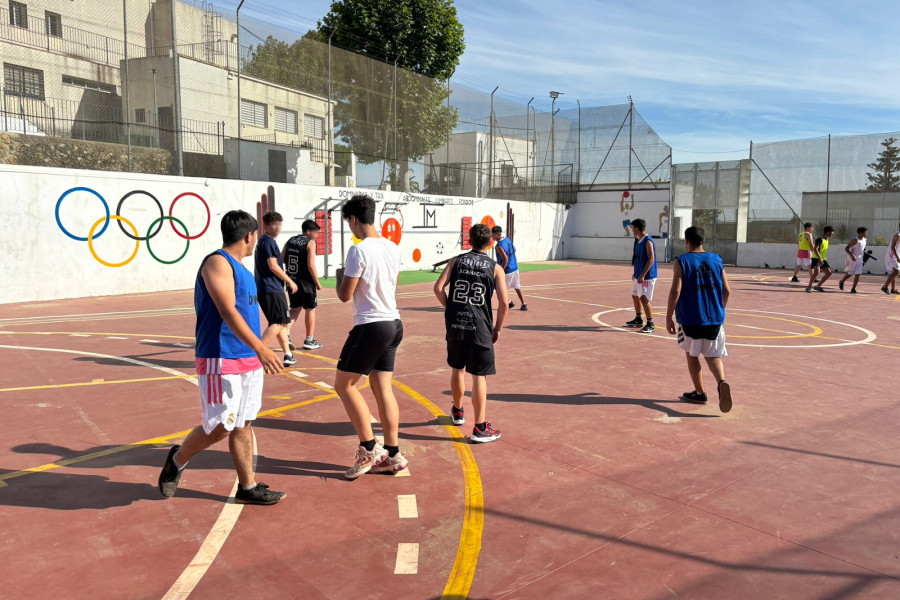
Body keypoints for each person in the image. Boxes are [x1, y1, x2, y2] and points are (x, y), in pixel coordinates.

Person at [157, 210, 286, 505]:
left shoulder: (242, 269)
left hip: (247, 360)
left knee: (243, 424)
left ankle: (247, 486)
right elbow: (227, 311)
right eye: (256, 236)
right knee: (219, 426)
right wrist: (263, 348)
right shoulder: (218, 262)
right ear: (249, 235)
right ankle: (177, 459)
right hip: (221, 359)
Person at [333, 195, 407, 479]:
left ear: (353, 219)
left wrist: (341, 275)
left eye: (349, 223)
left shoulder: (358, 250)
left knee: (344, 385)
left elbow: (344, 295)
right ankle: (394, 453)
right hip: (393, 322)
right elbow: (392, 286)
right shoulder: (393, 247)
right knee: (382, 388)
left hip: (371, 325)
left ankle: (369, 448)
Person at [434, 224, 509, 443]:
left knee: (457, 369)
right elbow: (504, 302)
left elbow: (438, 288)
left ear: (469, 240)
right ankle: (479, 427)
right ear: (490, 243)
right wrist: (498, 328)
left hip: (456, 324)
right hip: (480, 327)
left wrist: (449, 307)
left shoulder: (456, 261)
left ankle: (458, 412)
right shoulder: (495, 268)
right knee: (479, 375)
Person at [665, 226, 733, 413]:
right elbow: (726, 291)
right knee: (713, 356)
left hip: (691, 319)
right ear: (702, 241)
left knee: (692, 354)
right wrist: (719, 309)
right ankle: (722, 382)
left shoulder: (682, 261)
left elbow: (675, 291)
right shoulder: (717, 259)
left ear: (687, 241)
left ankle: (700, 392)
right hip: (714, 320)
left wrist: (669, 316)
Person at [254, 211, 297, 366]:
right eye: (274, 224)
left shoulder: (265, 242)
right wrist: (290, 281)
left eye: (279, 223)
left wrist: (281, 272)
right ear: (266, 226)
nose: (278, 227)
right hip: (271, 288)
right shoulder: (268, 242)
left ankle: (288, 354)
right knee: (279, 322)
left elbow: (272, 266)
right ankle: (256, 351)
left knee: (280, 322)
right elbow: (273, 266)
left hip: (268, 288)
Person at [283, 219, 324, 350]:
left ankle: (286, 333)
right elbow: (311, 265)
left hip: (292, 280)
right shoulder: (310, 243)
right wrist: (317, 283)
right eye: (316, 232)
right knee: (310, 308)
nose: (317, 236)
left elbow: (282, 257)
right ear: (308, 231)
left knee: (295, 308)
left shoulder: (290, 240)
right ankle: (309, 340)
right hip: (306, 282)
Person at [625, 219, 658, 333]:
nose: (632, 230)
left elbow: (651, 258)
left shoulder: (648, 241)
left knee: (643, 298)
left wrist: (643, 274)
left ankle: (650, 323)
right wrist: (636, 272)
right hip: (639, 274)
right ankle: (639, 318)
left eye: (633, 228)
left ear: (637, 229)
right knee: (635, 295)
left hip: (647, 276)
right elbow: (639, 259)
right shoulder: (639, 241)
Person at [492, 226, 527, 311]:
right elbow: (514, 249)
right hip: (514, 267)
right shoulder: (507, 239)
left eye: (492, 235)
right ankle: (524, 304)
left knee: (500, 288)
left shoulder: (499, 246)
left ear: (498, 235)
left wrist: (501, 270)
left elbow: (505, 259)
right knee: (517, 286)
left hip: (507, 270)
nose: (491, 236)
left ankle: (508, 303)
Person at [839, 227, 868, 293]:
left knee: (858, 274)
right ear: (860, 233)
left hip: (860, 259)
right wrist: (852, 256)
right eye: (865, 232)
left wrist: (862, 255)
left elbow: (861, 249)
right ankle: (842, 281)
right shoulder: (855, 240)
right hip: (853, 259)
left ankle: (853, 288)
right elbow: (846, 248)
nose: (866, 233)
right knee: (850, 273)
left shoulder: (864, 240)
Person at [807, 226, 834, 293]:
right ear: (828, 232)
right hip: (816, 258)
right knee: (816, 272)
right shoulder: (820, 239)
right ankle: (808, 287)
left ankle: (817, 286)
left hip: (823, 259)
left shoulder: (827, 240)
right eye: (832, 232)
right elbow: (815, 249)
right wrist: (820, 259)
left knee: (829, 273)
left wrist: (822, 259)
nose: (833, 233)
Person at [881, 224, 900, 295]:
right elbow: (893, 246)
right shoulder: (897, 235)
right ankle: (885, 287)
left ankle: (893, 289)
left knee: (895, 272)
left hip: (896, 255)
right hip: (892, 256)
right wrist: (897, 257)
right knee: (896, 272)